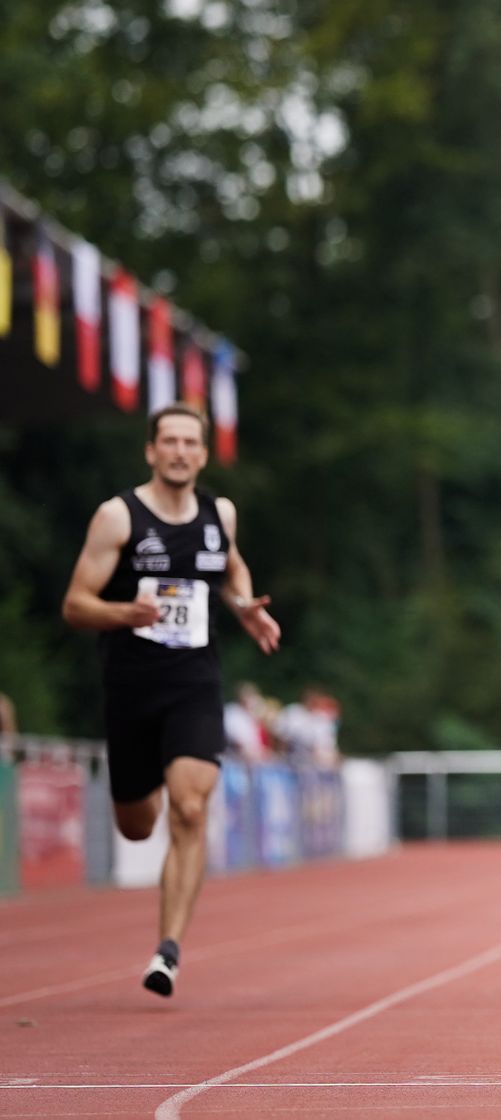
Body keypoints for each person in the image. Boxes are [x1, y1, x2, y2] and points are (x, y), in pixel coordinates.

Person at [60, 403, 281, 998]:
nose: (181, 451)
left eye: (191, 442)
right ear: (151, 451)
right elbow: (75, 604)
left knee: (190, 808)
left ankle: (168, 952)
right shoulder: (118, 517)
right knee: (137, 826)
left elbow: (229, 568)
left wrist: (243, 609)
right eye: (170, 441)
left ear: (204, 454)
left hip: (195, 685)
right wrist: (123, 612)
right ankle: (143, 792)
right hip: (131, 689)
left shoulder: (220, 514)